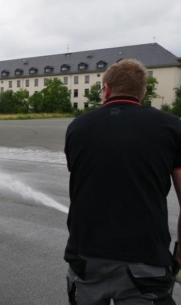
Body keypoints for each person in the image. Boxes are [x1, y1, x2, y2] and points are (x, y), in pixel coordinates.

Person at [64, 59, 181, 304]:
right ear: (142, 92)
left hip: (85, 256)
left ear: (106, 89)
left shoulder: (77, 127)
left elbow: (83, 179)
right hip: (146, 259)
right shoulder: (172, 127)